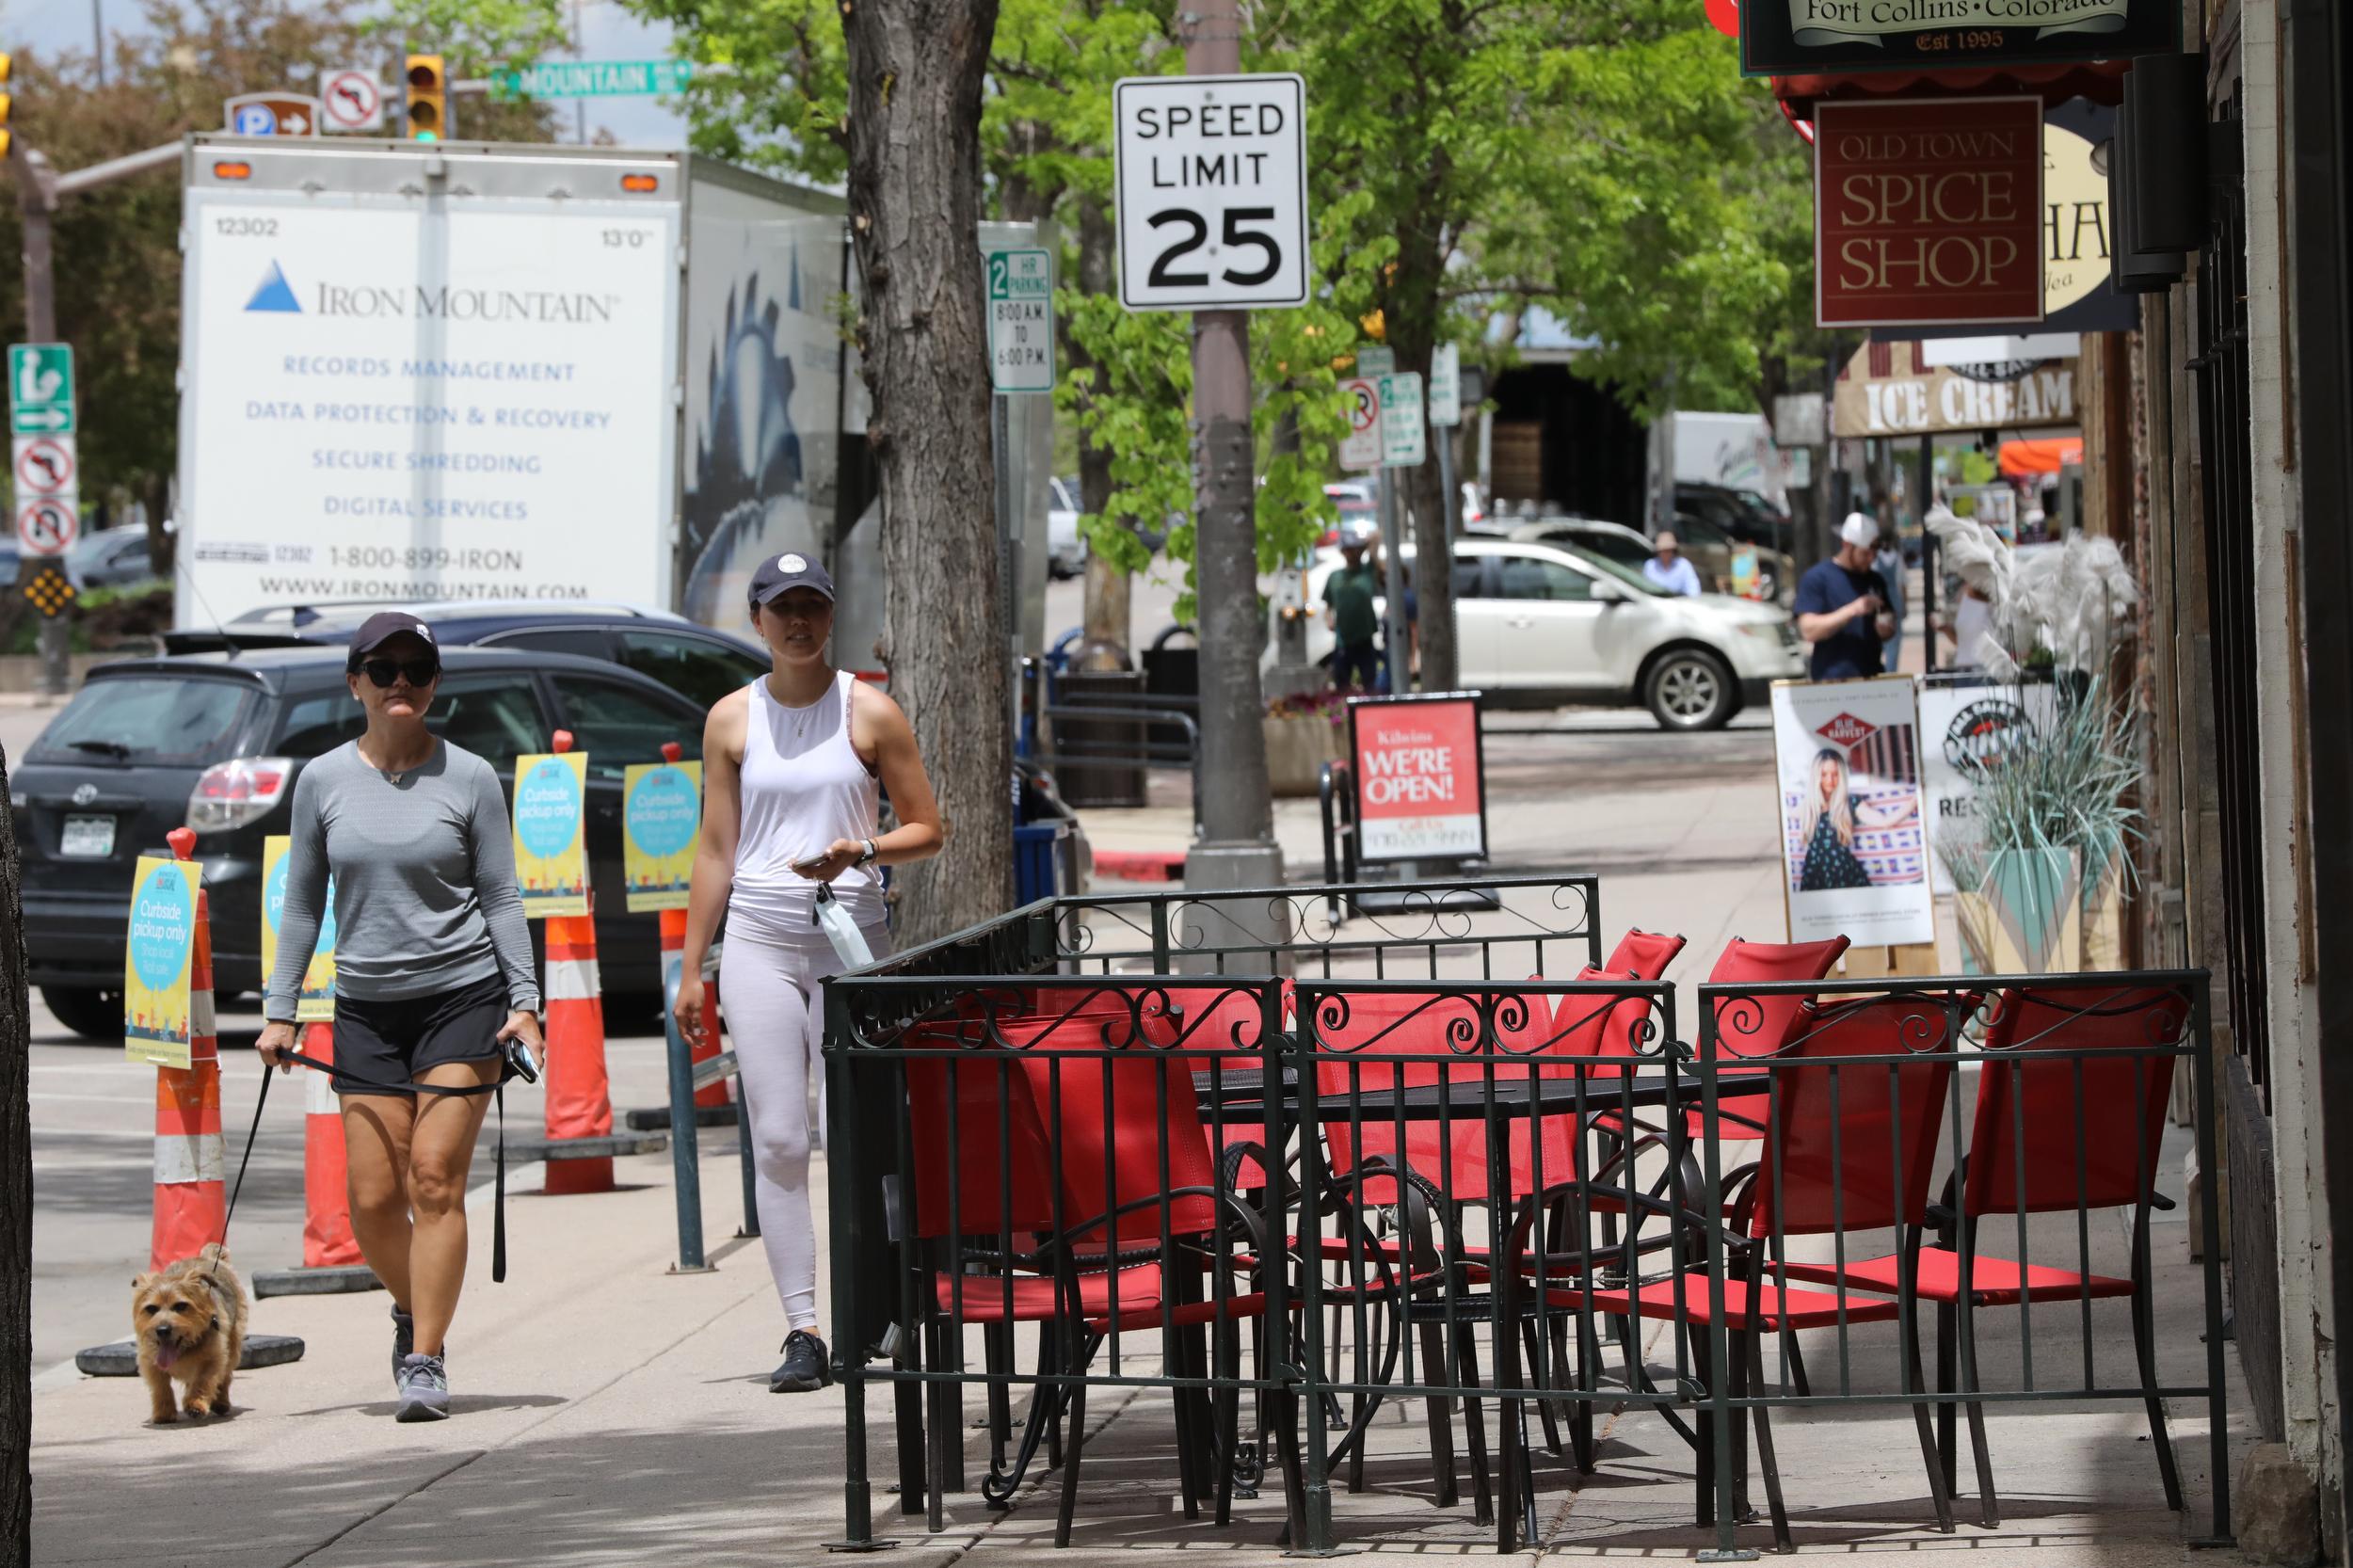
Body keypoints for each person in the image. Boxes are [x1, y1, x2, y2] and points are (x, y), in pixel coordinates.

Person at [256, 611, 543, 1423]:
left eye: (417, 670)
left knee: (434, 1177)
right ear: (356, 684)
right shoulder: (321, 781)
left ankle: (425, 1359)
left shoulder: (472, 777)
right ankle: (412, 1306)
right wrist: (281, 1012)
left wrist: (524, 1003)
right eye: (383, 671)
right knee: (374, 1200)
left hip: (463, 998)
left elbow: (501, 895)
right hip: (367, 1010)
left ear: (435, 684)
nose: (401, 684)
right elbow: (305, 902)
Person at [674, 552, 944, 1394]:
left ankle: (888, 1305)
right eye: (781, 608)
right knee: (783, 1141)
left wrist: (860, 849)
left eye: (812, 608)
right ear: (756, 620)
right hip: (757, 941)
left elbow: (928, 828)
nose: (798, 623)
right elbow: (716, 848)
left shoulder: (870, 713)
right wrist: (692, 968)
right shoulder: (730, 720)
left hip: (850, 945)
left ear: (832, 617)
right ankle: (804, 1329)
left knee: (861, 1138)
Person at [1794, 513, 1898, 680]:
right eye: (1865, 553)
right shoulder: (1818, 577)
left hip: (1872, 677)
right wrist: (1852, 610)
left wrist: (1886, 629)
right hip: (1832, 681)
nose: (1871, 559)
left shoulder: (1875, 580)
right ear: (1847, 545)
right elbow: (1808, 630)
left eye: (1874, 553)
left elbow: (1888, 626)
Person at [1796, 747, 1873, 891]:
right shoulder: (1809, 806)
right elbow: (1787, 814)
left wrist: (1915, 798)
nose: (1830, 780)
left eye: (1835, 774)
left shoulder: (1849, 802)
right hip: (1814, 874)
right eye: (1824, 774)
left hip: (1844, 873)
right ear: (1816, 776)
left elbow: (1885, 821)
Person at [1323, 537, 1381, 691]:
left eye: (1354, 549)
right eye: (1347, 549)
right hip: (1343, 640)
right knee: (1342, 685)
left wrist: (1362, 544)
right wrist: (1329, 620)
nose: (1351, 553)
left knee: (1370, 683)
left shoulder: (1367, 571)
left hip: (1364, 638)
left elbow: (1376, 540)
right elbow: (1328, 606)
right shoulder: (1335, 576)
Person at [1642, 530, 1703, 597]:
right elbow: (1645, 589)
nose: (1666, 553)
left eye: (1669, 550)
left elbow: (1693, 589)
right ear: (1658, 551)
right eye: (1663, 550)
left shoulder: (1683, 565)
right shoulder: (1650, 565)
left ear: (1673, 550)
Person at [1873, 528, 1907, 632]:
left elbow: (1902, 583)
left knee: (1894, 629)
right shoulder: (1876, 557)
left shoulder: (1896, 558)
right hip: (1882, 598)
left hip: (1892, 598)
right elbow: (1903, 584)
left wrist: (1904, 603)